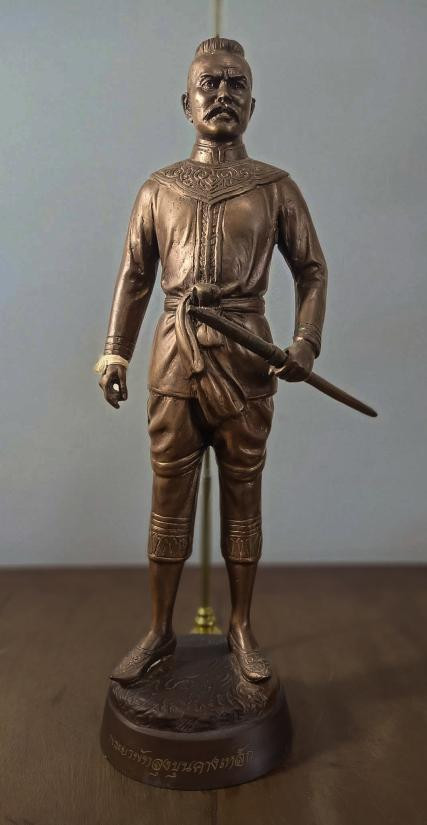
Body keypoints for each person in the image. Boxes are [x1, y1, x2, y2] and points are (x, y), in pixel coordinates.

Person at [96, 37, 327, 684]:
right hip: (175, 356)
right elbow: (135, 275)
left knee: (243, 492)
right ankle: (159, 630)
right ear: (186, 102)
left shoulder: (275, 188)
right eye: (210, 84)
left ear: (253, 103)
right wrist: (115, 351)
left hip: (248, 357)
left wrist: (305, 342)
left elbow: (311, 270)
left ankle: (241, 626)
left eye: (235, 84)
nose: (223, 94)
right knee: (168, 495)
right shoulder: (159, 188)